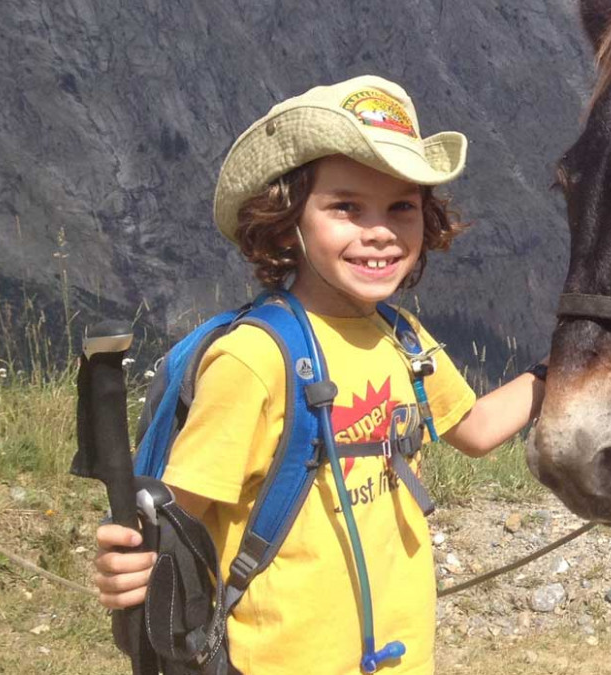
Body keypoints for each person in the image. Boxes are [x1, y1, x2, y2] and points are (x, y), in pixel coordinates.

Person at [88, 75, 546, 674]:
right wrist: (126, 562)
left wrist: (564, 365)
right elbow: (176, 515)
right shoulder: (256, 360)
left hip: (398, 658)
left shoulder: (401, 337)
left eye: (401, 206)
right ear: (286, 220)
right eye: (346, 207)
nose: (380, 231)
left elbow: (479, 428)